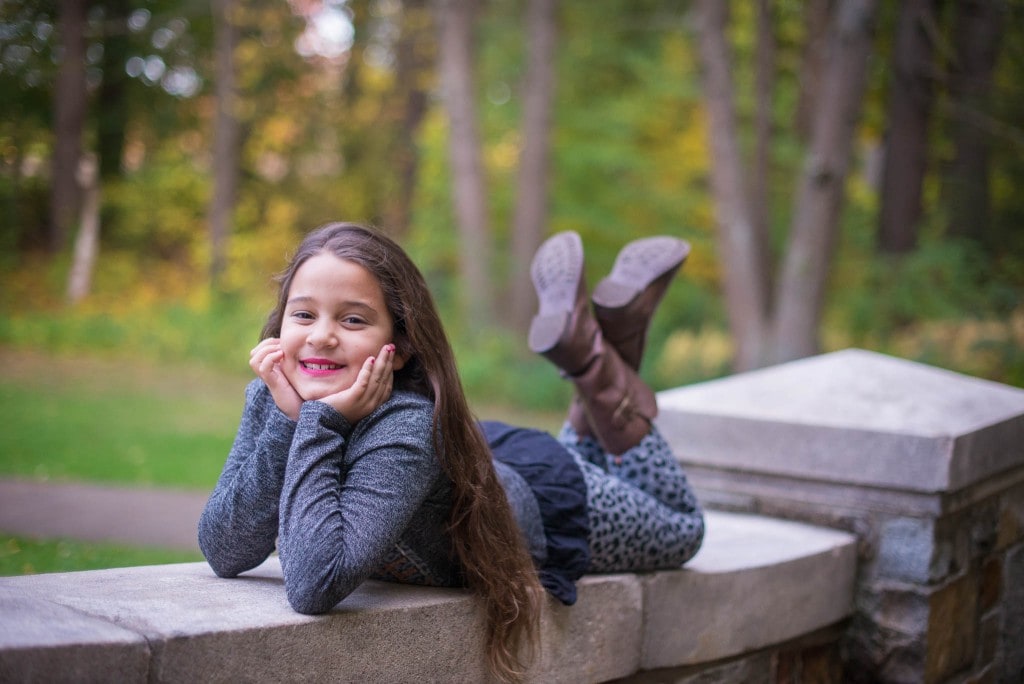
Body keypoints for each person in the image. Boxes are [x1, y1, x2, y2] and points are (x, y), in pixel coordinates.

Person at [198, 222, 704, 682]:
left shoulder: (406, 427)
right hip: (476, 459)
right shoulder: (275, 397)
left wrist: (317, 422)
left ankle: (593, 364)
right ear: (280, 323)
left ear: (402, 346)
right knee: (598, 457)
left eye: (353, 320)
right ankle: (587, 350)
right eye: (303, 314)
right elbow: (225, 548)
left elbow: (313, 583)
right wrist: (289, 422)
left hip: (538, 502)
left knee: (682, 527)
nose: (321, 336)